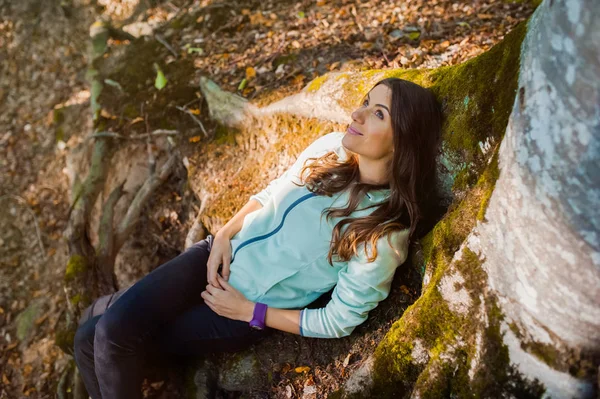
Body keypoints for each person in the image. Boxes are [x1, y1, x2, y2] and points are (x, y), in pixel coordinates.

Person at [73, 77, 443, 398]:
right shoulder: (331, 147)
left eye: (379, 114)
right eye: (366, 102)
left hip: (237, 308)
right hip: (216, 256)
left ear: (402, 142)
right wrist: (223, 234)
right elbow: (271, 194)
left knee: (106, 336)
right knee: (90, 328)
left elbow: (339, 319)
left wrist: (252, 312)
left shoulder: (383, 232)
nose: (357, 114)